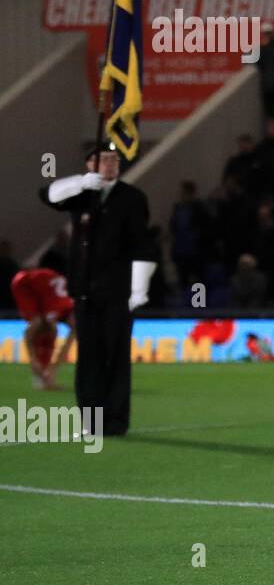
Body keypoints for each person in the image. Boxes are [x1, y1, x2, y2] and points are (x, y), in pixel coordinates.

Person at [39, 142, 155, 436]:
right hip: (84, 290)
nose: (111, 164)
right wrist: (80, 183)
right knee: (88, 357)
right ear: (90, 165)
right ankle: (91, 421)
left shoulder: (132, 197)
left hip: (117, 292)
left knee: (115, 356)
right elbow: (48, 195)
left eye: (114, 159)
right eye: (104, 159)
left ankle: (115, 421)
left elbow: (142, 243)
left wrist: (138, 289)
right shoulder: (81, 195)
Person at [10, 267, 76, 390]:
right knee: (41, 325)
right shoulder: (58, 307)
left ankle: (46, 374)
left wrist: (55, 366)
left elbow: (70, 339)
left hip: (45, 289)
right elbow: (30, 330)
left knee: (49, 328)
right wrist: (32, 359)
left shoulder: (68, 306)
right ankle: (40, 371)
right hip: (23, 283)